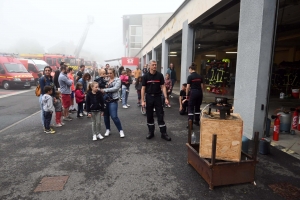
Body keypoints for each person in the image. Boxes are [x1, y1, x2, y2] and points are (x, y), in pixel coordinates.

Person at [141, 60, 171, 141]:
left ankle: (163, 133)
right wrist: (142, 101)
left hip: (158, 97)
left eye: (156, 65)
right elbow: (143, 88)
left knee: (160, 114)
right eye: (153, 65)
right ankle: (151, 132)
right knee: (149, 115)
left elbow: (163, 86)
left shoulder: (160, 75)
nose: (155, 66)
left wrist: (165, 98)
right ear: (149, 66)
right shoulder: (145, 76)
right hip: (149, 97)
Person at [100, 67, 125, 138]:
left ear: (114, 73)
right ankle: (108, 129)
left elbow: (115, 88)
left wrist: (105, 90)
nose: (109, 74)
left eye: (111, 73)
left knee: (114, 116)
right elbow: (98, 85)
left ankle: (120, 130)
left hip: (113, 100)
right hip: (104, 100)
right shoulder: (105, 80)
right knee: (105, 116)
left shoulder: (117, 79)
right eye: (108, 73)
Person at [39, 66, 55, 131]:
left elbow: (53, 88)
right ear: (44, 71)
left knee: (49, 111)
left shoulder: (51, 78)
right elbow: (43, 90)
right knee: (44, 111)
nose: (47, 71)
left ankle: (48, 124)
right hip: (44, 97)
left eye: (48, 70)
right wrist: (48, 98)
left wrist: (53, 96)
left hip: (50, 97)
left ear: (51, 71)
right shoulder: (42, 79)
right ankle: (44, 125)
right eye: (46, 70)